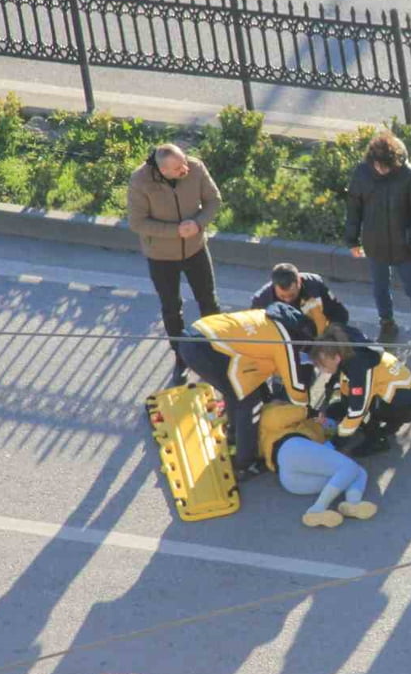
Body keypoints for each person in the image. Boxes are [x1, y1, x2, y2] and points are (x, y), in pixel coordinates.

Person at [177, 302, 317, 479]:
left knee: (236, 391)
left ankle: (234, 435)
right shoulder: (285, 339)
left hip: (196, 337)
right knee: (250, 403)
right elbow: (295, 385)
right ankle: (245, 464)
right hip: (205, 349)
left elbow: (254, 358)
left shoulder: (265, 317)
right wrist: (306, 410)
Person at [127, 143, 223, 388]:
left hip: (195, 249)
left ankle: (217, 348)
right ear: (164, 170)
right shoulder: (140, 181)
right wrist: (175, 231)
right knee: (171, 307)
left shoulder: (196, 167)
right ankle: (181, 356)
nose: (186, 168)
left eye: (184, 162)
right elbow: (137, 222)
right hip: (161, 257)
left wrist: (199, 223)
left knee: (208, 300)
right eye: (179, 167)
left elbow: (214, 200)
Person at [344, 131, 411, 357]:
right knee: (379, 288)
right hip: (375, 243)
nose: (381, 170)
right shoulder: (362, 173)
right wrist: (352, 239)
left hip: (403, 247)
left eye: (386, 167)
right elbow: (354, 207)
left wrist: (410, 242)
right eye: (377, 166)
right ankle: (387, 323)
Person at [257, 402, 378, 528]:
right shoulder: (269, 413)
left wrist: (325, 423)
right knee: (350, 468)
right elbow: (277, 417)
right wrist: (307, 411)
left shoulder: (311, 428)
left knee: (358, 471)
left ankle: (352, 503)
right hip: (290, 447)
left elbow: (328, 438)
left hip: (290, 479)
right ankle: (317, 508)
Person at [309, 324, 411, 458]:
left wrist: (337, 441)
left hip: (399, 402)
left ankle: (379, 440)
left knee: (366, 418)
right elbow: (344, 380)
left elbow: (358, 410)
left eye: (323, 366)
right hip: (394, 391)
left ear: (337, 358)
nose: (322, 371)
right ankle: (394, 417)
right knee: (343, 408)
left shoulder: (360, 368)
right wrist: (344, 405)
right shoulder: (346, 349)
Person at [250, 263, 349, 330]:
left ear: (299, 282)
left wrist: (333, 333)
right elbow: (255, 330)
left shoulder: (314, 285)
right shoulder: (261, 301)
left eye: (292, 295)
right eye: (282, 297)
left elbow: (339, 313)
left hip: (319, 339)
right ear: (274, 286)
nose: (288, 300)